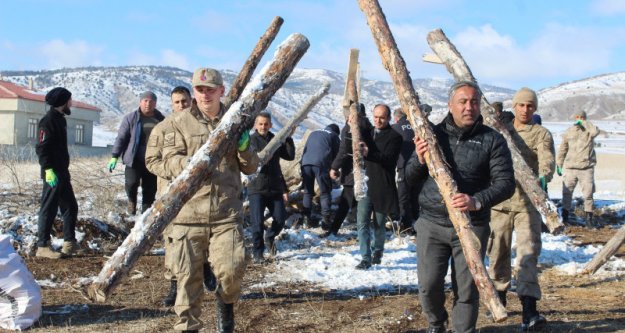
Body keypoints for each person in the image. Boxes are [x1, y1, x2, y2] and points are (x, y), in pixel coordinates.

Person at [406, 81, 515, 333]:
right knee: (429, 284)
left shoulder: (492, 140)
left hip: (472, 225)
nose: (469, 107)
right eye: (463, 102)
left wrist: (476, 201)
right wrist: (420, 160)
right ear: (450, 105)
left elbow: (506, 183)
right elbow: (409, 178)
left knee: (466, 288)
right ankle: (436, 324)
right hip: (432, 223)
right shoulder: (432, 134)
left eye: (474, 102)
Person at [156, 67, 258, 333]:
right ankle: (187, 327)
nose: (204, 95)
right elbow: (160, 161)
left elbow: (250, 167)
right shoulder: (177, 123)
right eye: (200, 90)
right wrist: (187, 163)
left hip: (226, 214)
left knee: (232, 271)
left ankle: (225, 304)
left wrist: (245, 147)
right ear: (194, 92)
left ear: (221, 91)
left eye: (210, 89)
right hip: (188, 216)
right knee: (187, 280)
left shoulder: (235, 121)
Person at [488, 87, 554, 331]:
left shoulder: (541, 133)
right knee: (497, 254)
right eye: (522, 105)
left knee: (527, 256)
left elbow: (546, 158)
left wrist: (545, 175)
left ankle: (529, 310)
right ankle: (499, 301)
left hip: (528, 205)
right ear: (514, 106)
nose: (526, 109)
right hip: (500, 204)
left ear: (535, 108)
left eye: (530, 106)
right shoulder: (501, 131)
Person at [146, 86, 216, 307]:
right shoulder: (162, 128)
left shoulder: (204, 126)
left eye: (185, 101)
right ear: (171, 104)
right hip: (171, 196)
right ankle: (174, 285)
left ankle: (205, 267)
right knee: (173, 242)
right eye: (177, 102)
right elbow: (151, 161)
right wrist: (176, 169)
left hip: (198, 196)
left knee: (201, 236)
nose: (181, 105)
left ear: (192, 101)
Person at [354, 104, 402, 269]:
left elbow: (388, 159)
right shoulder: (366, 134)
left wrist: (369, 153)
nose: (378, 120)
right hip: (366, 185)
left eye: (381, 117)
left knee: (379, 224)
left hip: (383, 186)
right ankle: (365, 257)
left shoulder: (395, 137)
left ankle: (378, 251)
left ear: (388, 118)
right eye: (375, 117)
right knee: (362, 222)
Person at [35, 87, 81, 259]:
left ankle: (69, 243)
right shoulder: (47, 122)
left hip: (62, 172)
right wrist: (47, 169)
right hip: (52, 173)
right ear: (63, 102)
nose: (71, 103)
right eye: (69, 100)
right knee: (49, 207)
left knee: (70, 207)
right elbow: (41, 147)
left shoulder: (60, 119)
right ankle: (43, 246)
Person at [248, 112, 295, 262]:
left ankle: (269, 237)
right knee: (257, 222)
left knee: (280, 219)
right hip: (256, 188)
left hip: (275, 187)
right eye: (260, 124)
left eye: (266, 124)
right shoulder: (250, 140)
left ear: (271, 125)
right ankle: (258, 252)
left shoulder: (276, 139)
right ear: (256, 125)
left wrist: (288, 138)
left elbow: (289, 156)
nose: (263, 127)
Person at [108, 91, 165, 215]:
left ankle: (145, 214)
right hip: (134, 159)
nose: (148, 104)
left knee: (150, 189)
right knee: (131, 183)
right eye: (145, 101)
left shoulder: (161, 119)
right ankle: (131, 202)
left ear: (155, 103)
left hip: (153, 160)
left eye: (151, 101)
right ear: (140, 102)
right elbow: (121, 138)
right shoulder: (131, 118)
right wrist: (114, 156)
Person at [328, 104, 372, 238]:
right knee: (363, 201)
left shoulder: (350, 128)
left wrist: (334, 167)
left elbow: (344, 150)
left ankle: (333, 230)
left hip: (352, 171)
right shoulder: (369, 127)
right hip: (368, 171)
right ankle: (363, 229)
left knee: (345, 202)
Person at [391, 104, 431, 234]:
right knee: (416, 196)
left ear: (397, 118)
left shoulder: (395, 128)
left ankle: (407, 226)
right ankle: (417, 221)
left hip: (403, 166)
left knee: (404, 197)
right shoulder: (417, 126)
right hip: (420, 165)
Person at [557, 110, 600, 227]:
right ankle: (565, 217)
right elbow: (563, 149)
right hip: (570, 167)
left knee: (588, 194)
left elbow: (596, 131)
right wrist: (559, 164)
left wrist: (586, 124)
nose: (579, 119)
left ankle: (589, 219)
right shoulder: (569, 132)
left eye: (582, 117)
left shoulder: (589, 131)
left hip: (586, 168)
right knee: (566, 193)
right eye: (577, 117)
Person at [300, 123, 341, 230]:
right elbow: (338, 155)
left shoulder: (314, 133)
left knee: (308, 192)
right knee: (325, 192)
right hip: (321, 164)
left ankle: (305, 220)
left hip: (306, 163)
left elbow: (305, 149)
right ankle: (326, 221)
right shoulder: (334, 135)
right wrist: (335, 169)